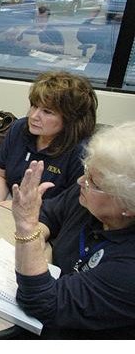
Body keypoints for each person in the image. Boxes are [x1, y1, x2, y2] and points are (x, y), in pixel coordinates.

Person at [11, 122, 135, 338]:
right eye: (87, 171)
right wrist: (38, 242)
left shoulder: (128, 269)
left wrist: (27, 228)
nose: (80, 181)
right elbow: (49, 213)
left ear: (128, 206)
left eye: (93, 181)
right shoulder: (89, 203)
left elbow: (41, 303)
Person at [0, 71, 97, 208]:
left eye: (47, 112)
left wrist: (20, 208)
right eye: (34, 106)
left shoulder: (82, 152)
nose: (33, 116)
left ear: (71, 119)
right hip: (8, 200)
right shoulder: (19, 128)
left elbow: (72, 207)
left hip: (49, 216)